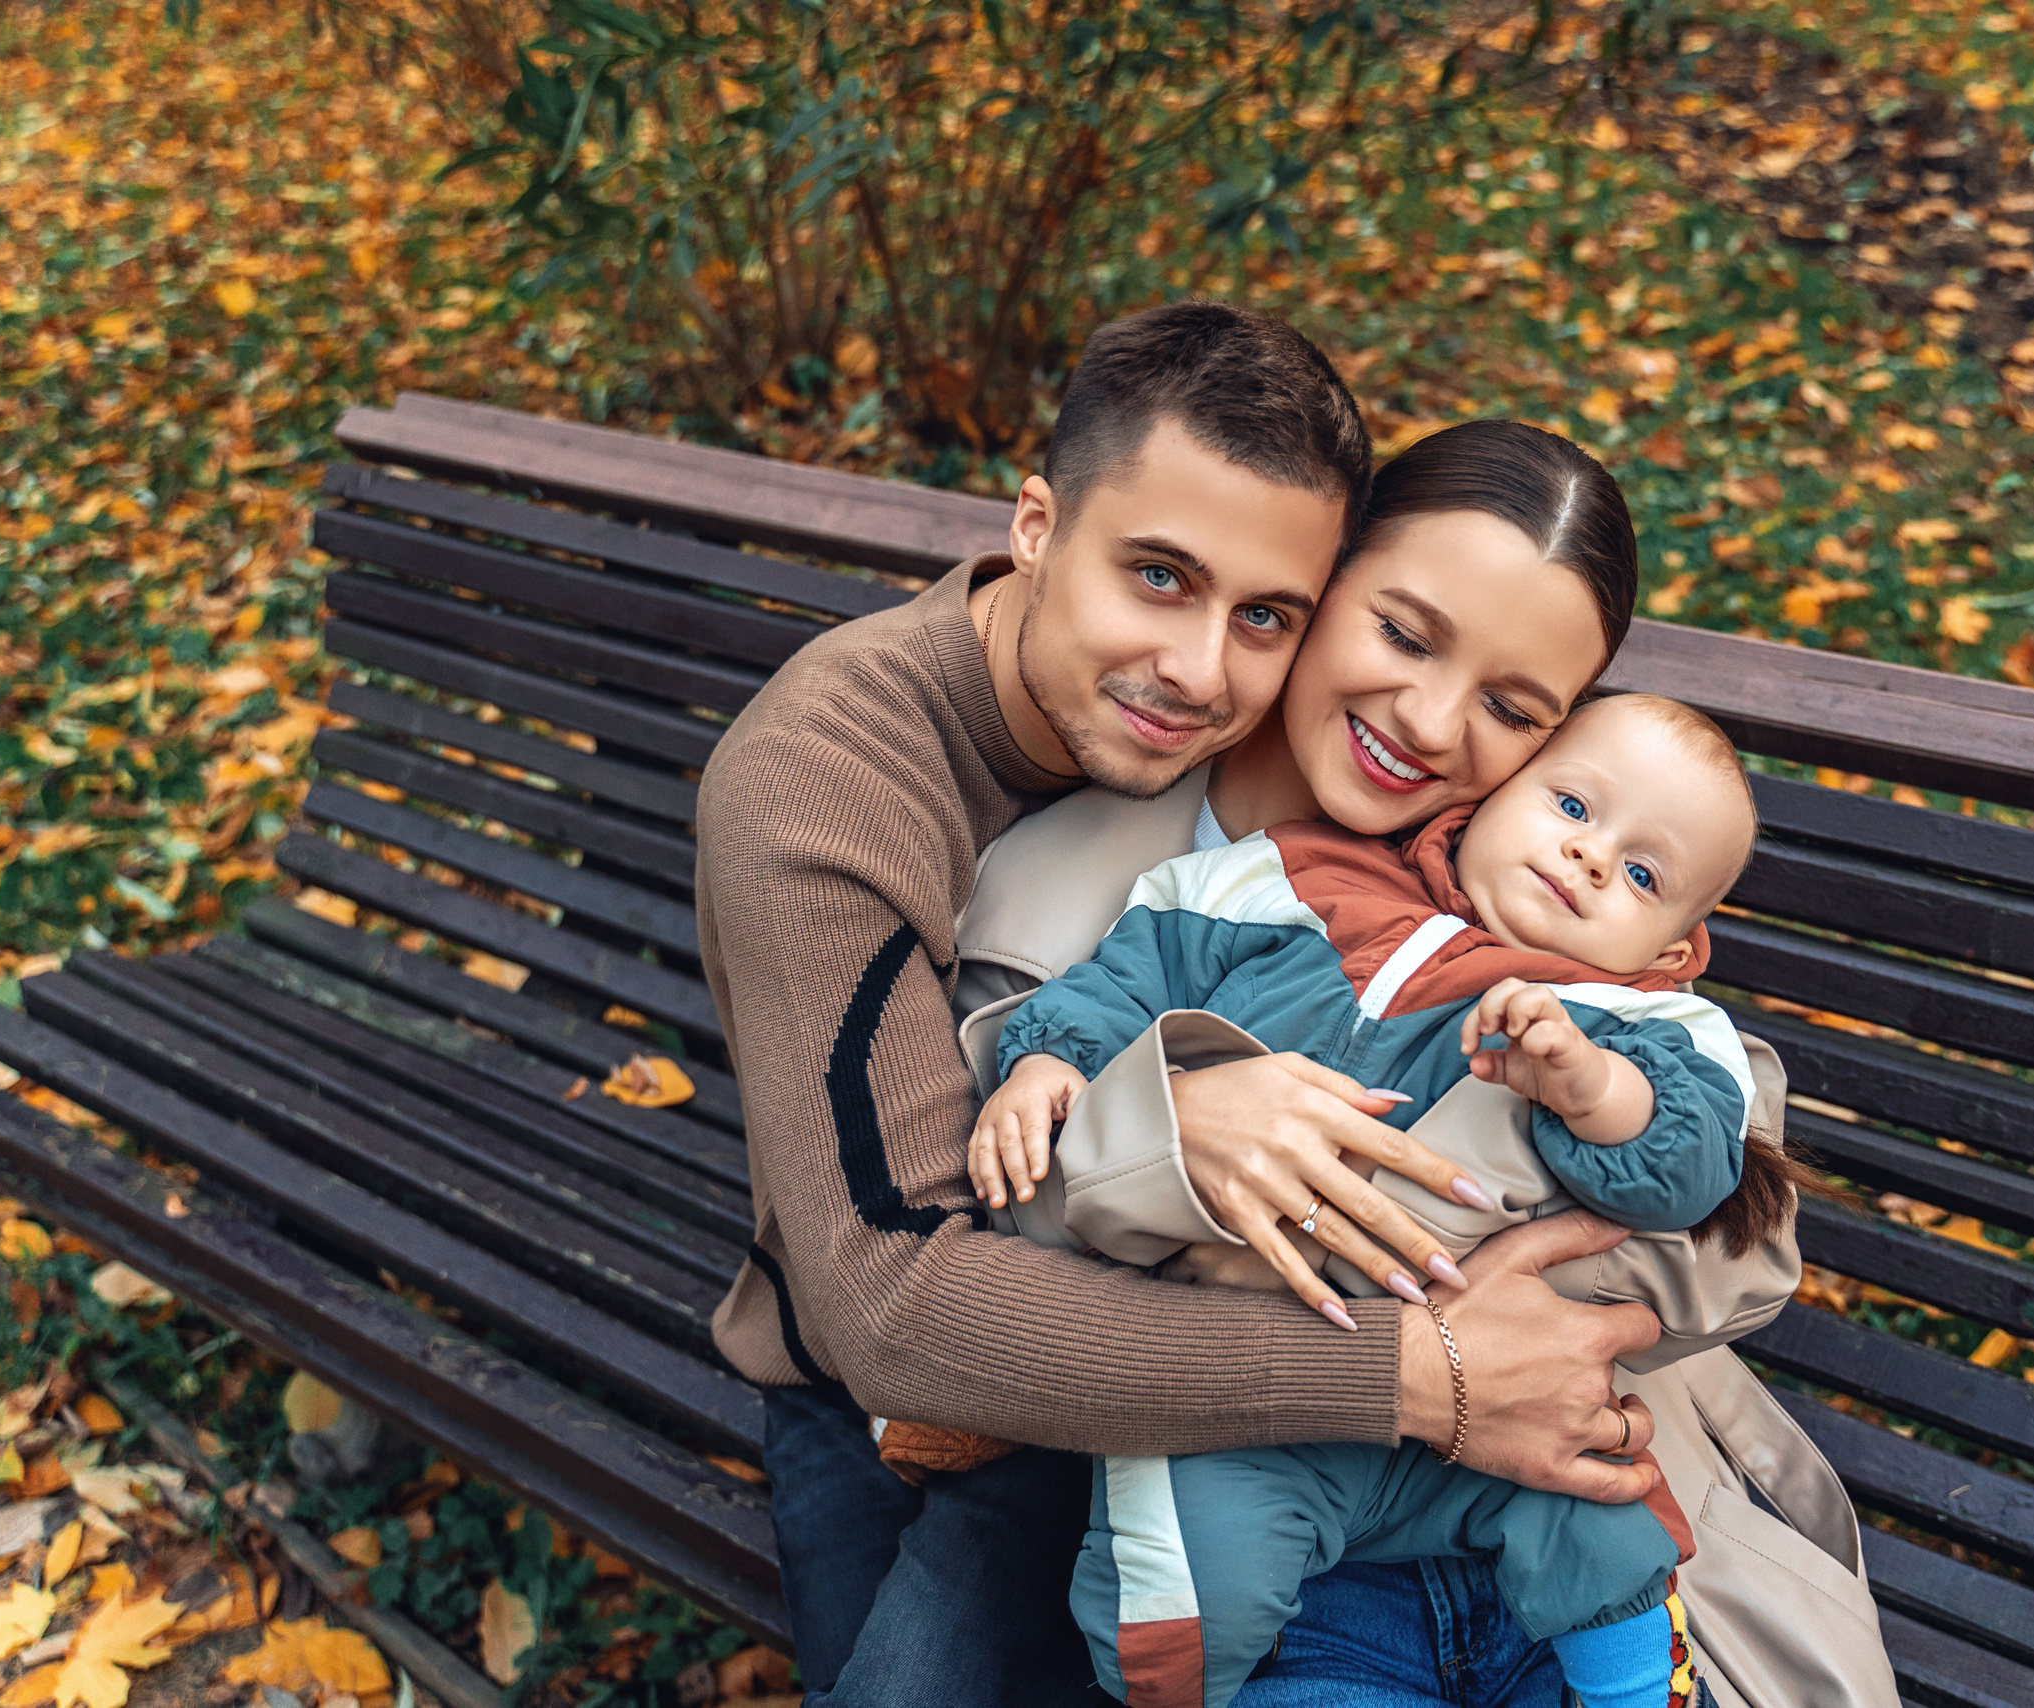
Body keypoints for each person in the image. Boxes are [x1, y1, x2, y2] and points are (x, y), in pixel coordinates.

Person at [695, 306, 1721, 1708]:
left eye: (1261, 616)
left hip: (1342, 1435)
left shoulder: (1496, 837)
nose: (1199, 671)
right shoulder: (848, 782)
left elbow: (1702, 1130)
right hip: (933, 1368)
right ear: (1035, 526)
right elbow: (899, 1299)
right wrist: (1402, 1351)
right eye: (1158, 577)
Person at [944, 418, 1900, 1707]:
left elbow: (1738, 1240)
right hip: (1242, 1480)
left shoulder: (1574, 950)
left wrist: (1577, 1129)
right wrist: (1184, 1125)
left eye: (1513, 709)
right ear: (1321, 582)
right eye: (1403, 633)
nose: (1434, 721)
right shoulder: (1155, 883)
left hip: (1566, 1478)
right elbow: (986, 1225)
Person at [959, 693, 1780, 1708]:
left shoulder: (1636, 1020)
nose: (1590, 858)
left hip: (1510, 1414)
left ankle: (1638, 1692)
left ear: (1669, 953)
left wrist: (1595, 1088)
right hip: (1253, 1384)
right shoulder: (1287, 880)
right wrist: (1053, 1058)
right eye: (1572, 807)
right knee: (1184, 1577)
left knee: (1605, 1532)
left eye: (1644, 874)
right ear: (1484, 802)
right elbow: (1138, 965)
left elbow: (1696, 1163)